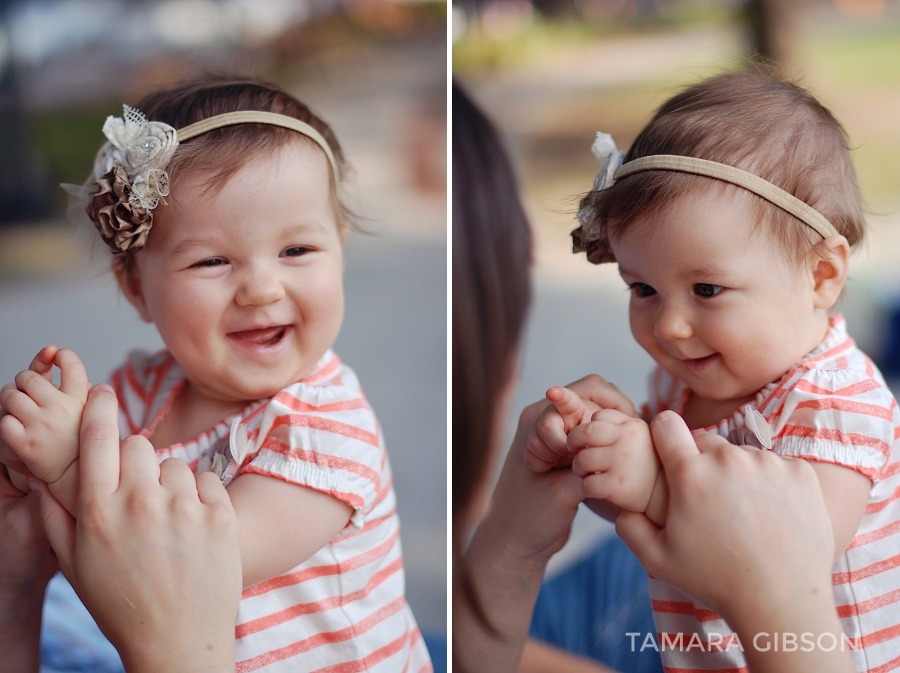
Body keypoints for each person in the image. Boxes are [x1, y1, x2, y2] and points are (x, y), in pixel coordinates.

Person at [0, 78, 430, 672]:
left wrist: (69, 465)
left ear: (341, 247)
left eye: (297, 250)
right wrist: (39, 449)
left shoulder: (324, 432)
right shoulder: (145, 388)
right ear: (136, 288)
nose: (261, 287)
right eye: (212, 261)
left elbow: (184, 562)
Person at [451, 77, 855, 673]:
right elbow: (649, 527)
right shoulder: (693, 378)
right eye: (642, 288)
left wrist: (643, 478)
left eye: (706, 289)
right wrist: (601, 460)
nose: (669, 325)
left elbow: (792, 547)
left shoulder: (836, 407)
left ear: (821, 274)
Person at [0, 383, 242, 673]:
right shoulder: (145, 382)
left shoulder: (300, 422)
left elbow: (198, 554)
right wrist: (12, 592)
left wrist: (65, 465)